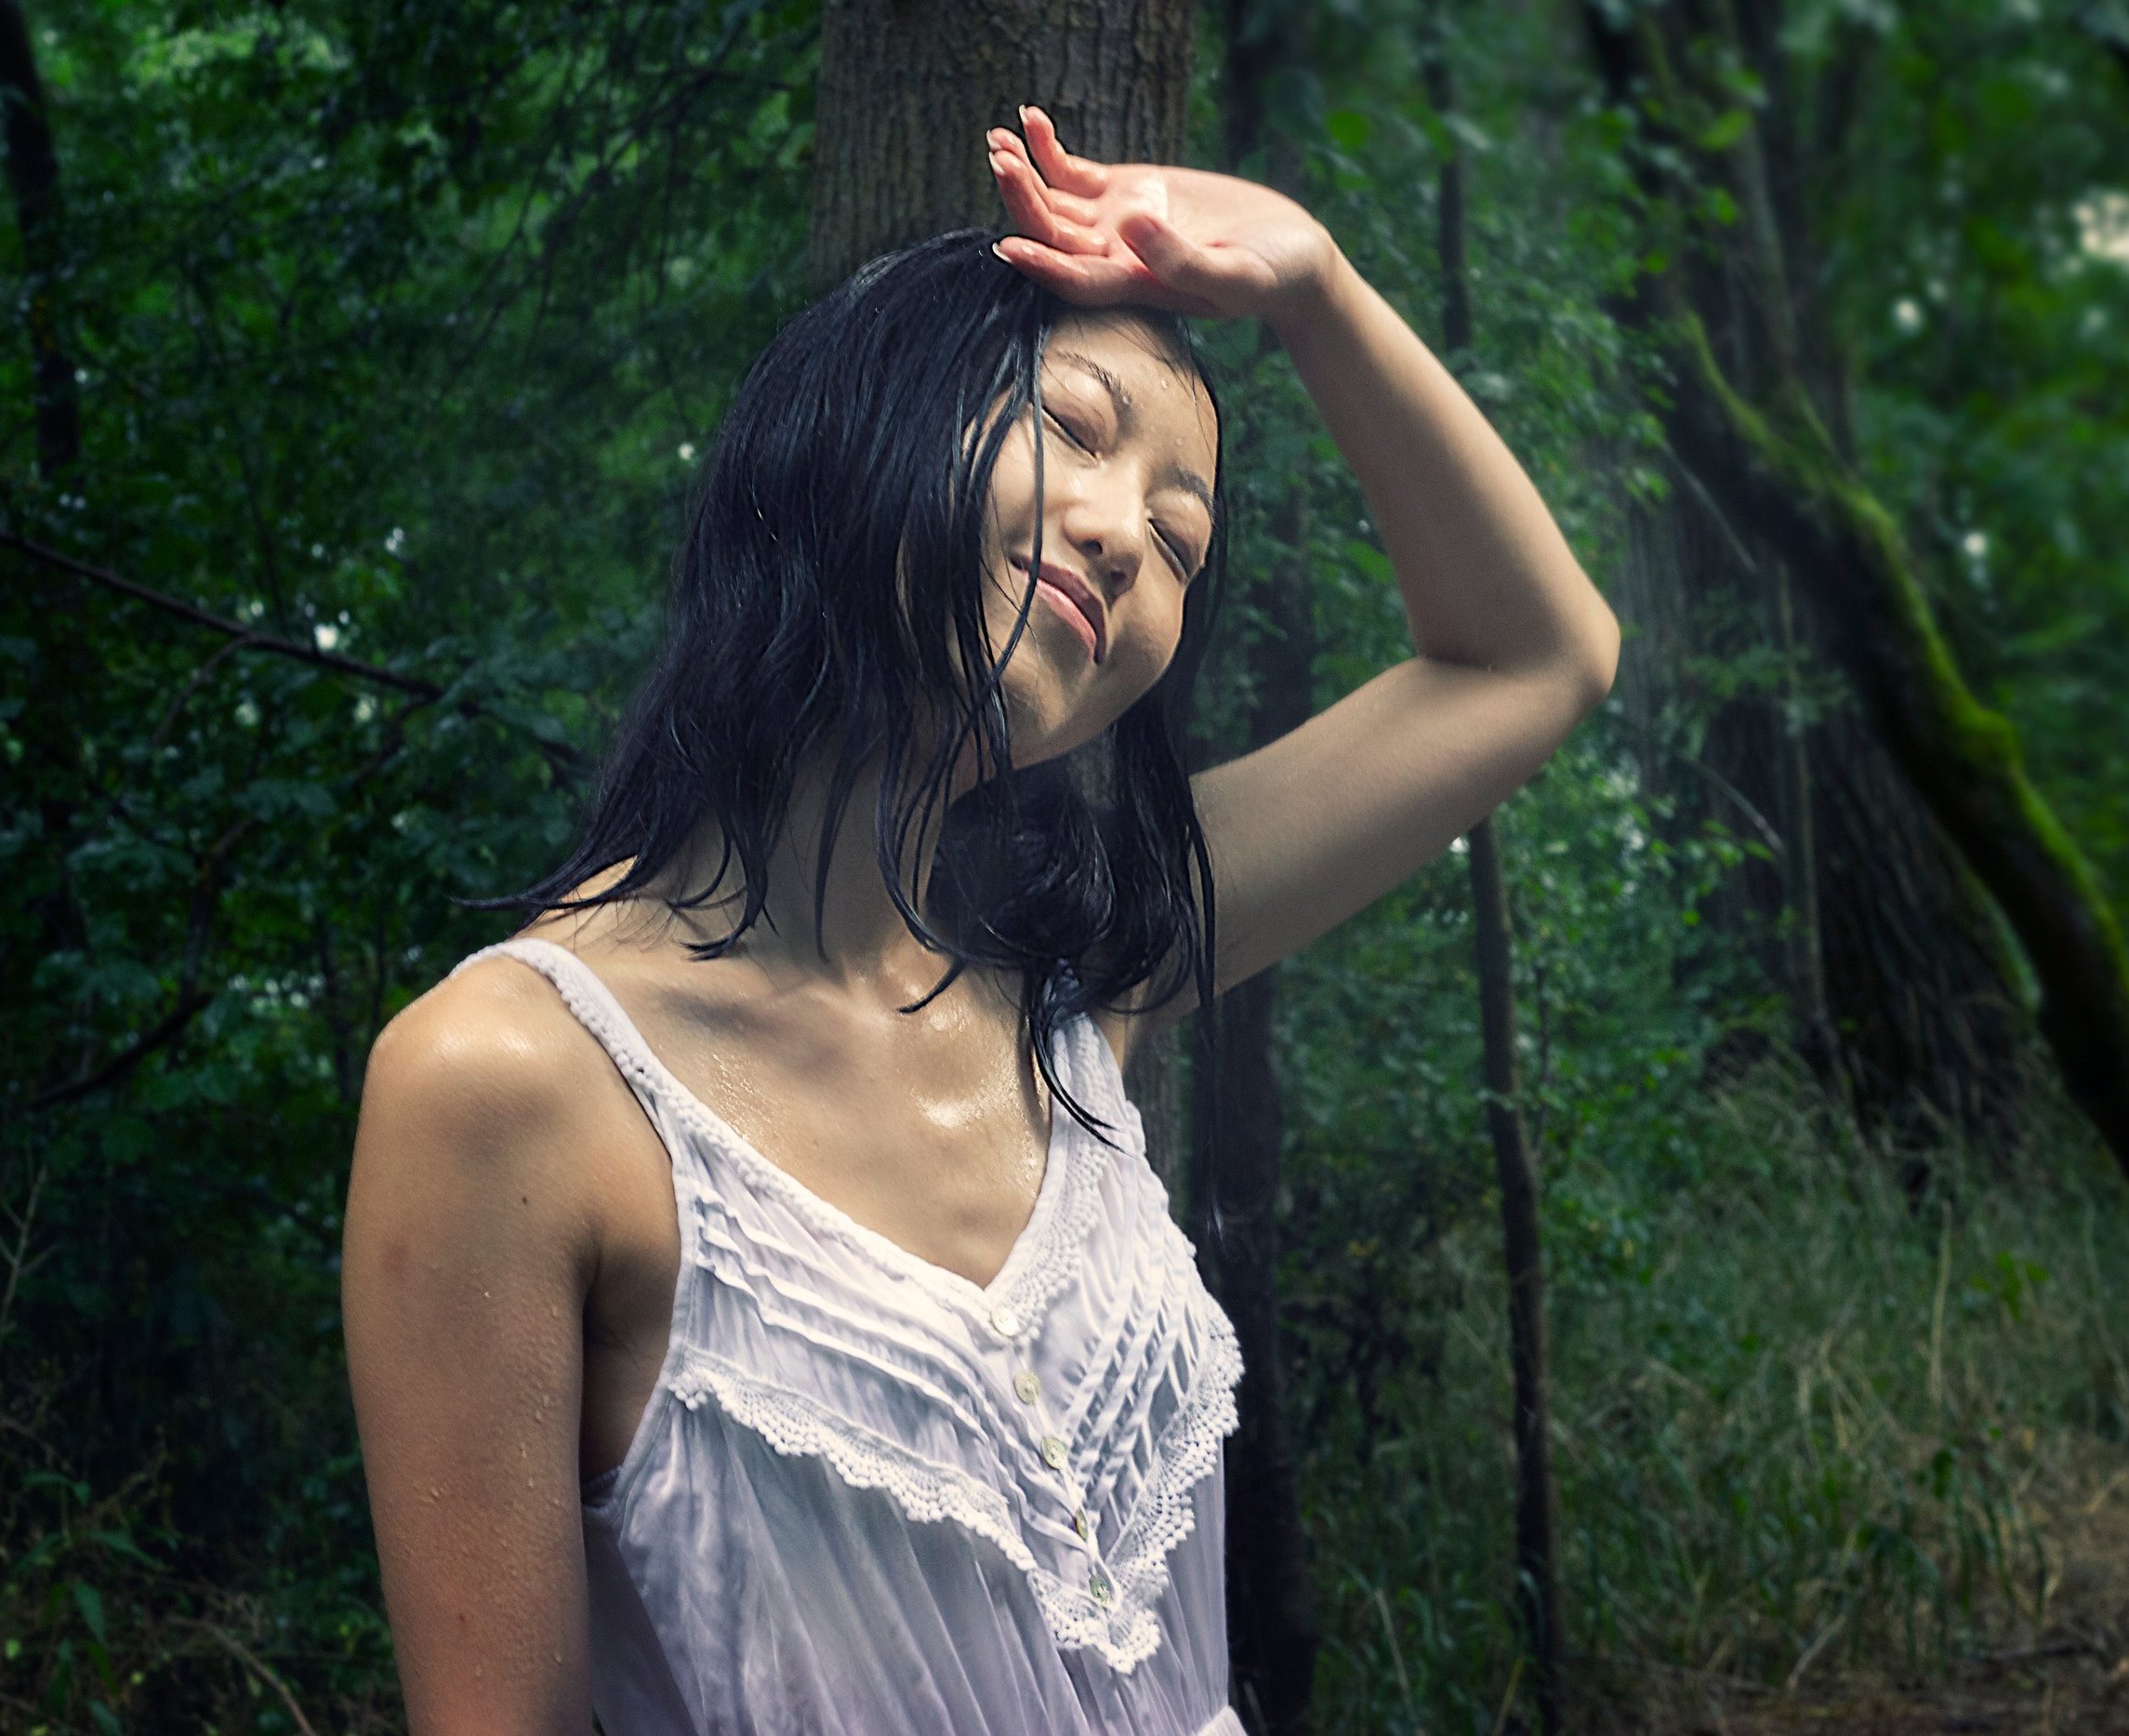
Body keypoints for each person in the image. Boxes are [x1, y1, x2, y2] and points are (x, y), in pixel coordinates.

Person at [341, 107, 1619, 1736]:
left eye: (1178, 542)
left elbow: (1538, 657)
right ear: (863, 424)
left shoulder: (1087, 985)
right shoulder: (507, 1086)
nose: (1120, 537)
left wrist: (1314, 287)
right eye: (1075, 430)